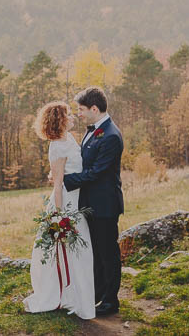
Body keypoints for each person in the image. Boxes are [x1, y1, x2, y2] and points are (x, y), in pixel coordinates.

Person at [23, 101, 96, 320]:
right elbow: (57, 183)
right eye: (69, 115)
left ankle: (80, 295)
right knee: (72, 251)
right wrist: (59, 215)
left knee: (81, 253)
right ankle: (68, 296)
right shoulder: (57, 146)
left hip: (77, 198)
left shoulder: (70, 139)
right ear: (61, 120)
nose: (73, 117)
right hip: (66, 203)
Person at [63, 86, 124, 317]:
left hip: (105, 205)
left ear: (94, 108)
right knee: (96, 253)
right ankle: (97, 294)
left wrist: (65, 180)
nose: (78, 113)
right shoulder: (93, 130)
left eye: (81, 109)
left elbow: (96, 173)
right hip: (89, 203)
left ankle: (111, 301)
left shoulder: (111, 136)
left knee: (108, 254)